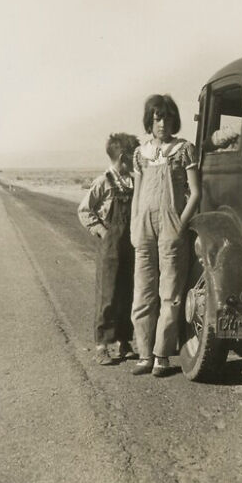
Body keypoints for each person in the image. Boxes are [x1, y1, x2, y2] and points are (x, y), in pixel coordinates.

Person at [130, 94, 201, 377]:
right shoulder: (140, 153)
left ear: (174, 120)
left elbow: (196, 193)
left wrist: (180, 225)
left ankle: (162, 355)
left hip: (171, 226)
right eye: (157, 118)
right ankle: (144, 354)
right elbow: (137, 195)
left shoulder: (184, 149)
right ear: (150, 120)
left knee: (170, 294)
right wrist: (136, 227)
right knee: (142, 293)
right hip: (144, 228)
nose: (162, 123)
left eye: (167, 117)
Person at [78, 133, 139, 366]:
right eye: (133, 157)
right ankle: (102, 345)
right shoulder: (103, 181)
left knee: (128, 293)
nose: (135, 162)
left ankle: (124, 341)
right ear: (123, 158)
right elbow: (84, 210)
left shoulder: (133, 181)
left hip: (131, 245)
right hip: (110, 247)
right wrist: (103, 232)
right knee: (108, 294)